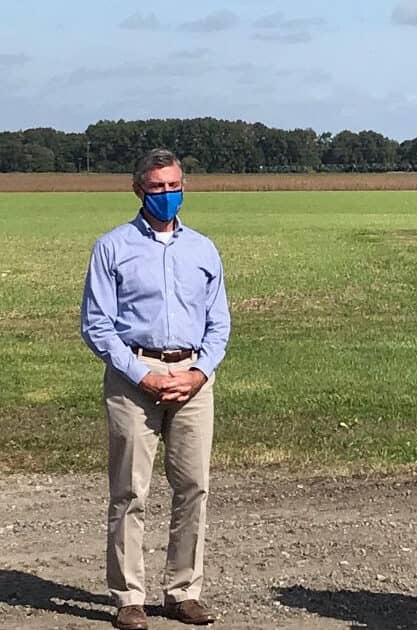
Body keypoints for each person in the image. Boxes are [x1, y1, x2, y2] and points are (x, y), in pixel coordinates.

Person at [81, 148, 230, 629]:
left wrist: (199, 372)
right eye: (157, 186)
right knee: (129, 491)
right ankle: (129, 597)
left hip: (192, 378)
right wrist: (140, 374)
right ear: (138, 189)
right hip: (134, 378)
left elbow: (219, 321)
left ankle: (183, 591)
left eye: (174, 185)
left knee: (193, 487)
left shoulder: (203, 249)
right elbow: (97, 324)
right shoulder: (112, 247)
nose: (167, 194)